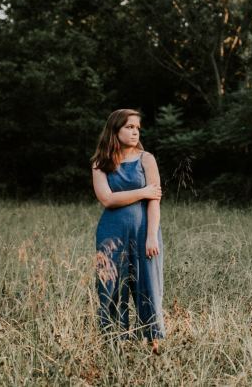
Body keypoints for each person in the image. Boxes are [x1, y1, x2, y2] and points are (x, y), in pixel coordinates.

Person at [90, 108, 166, 354]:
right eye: (129, 127)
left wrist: (152, 235)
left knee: (148, 285)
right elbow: (107, 199)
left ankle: (153, 344)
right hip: (111, 234)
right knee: (111, 286)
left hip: (145, 232)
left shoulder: (146, 159)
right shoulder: (100, 163)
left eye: (137, 128)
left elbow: (155, 202)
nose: (134, 132)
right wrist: (142, 192)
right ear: (115, 130)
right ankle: (115, 343)